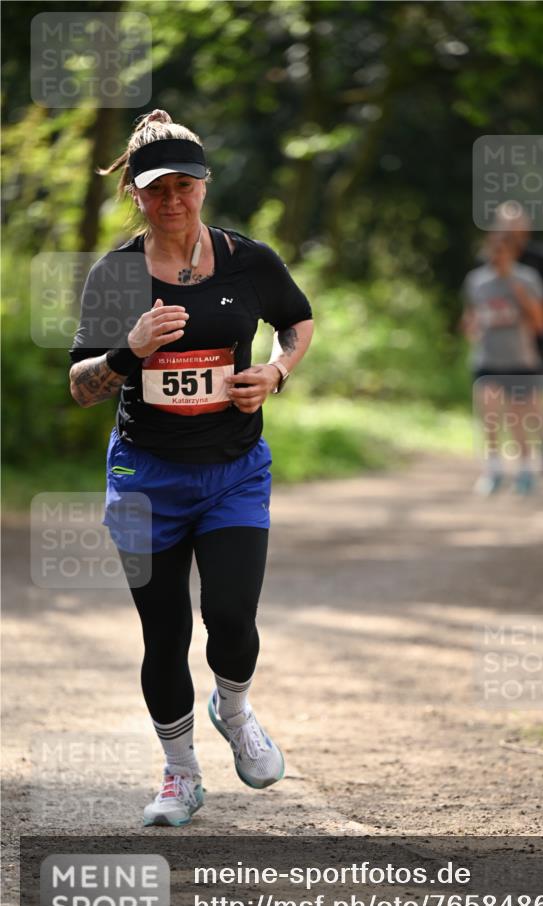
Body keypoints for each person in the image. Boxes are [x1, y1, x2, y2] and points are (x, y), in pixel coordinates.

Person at [69, 110, 314, 827]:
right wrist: (128, 351)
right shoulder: (116, 274)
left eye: (185, 185)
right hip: (147, 478)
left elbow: (296, 320)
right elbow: (80, 386)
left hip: (234, 468)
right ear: (136, 196)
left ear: (203, 186)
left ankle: (232, 708)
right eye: (157, 189)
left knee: (232, 616)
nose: (173, 199)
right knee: (164, 632)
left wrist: (276, 372)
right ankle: (179, 775)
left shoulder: (247, 260)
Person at [462, 230, 543, 496]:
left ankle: (524, 469)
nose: (496, 256)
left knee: (517, 417)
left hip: (519, 360)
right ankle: (493, 470)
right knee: (488, 414)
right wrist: (471, 328)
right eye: (493, 250)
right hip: (487, 358)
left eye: (502, 251)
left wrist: (521, 296)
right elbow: (470, 316)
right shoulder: (476, 281)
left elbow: (541, 323)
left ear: (512, 252)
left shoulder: (527, 278)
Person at [495, 202, 543, 473]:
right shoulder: (491, 256)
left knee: (533, 395)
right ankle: (516, 451)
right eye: (506, 223)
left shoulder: (539, 259)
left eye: (517, 223)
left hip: (534, 339)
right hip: (500, 342)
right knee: (503, 397)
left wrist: (540, 321)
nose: (512, 229)